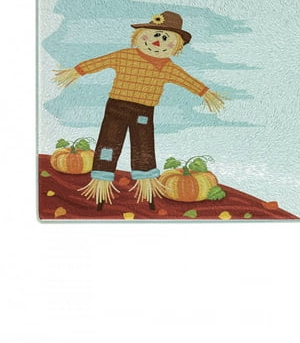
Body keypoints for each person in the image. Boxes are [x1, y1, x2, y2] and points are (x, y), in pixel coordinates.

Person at [54, 11, 226, 210]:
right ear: (138, 36)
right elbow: (100, 62)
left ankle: (146, 184)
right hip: (116, 108)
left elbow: (186, 80)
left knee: (143, 146)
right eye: (154, 35)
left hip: (143, 112)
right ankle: (101, 181)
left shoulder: (168, 67)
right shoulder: (124, 56)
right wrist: (77, 71)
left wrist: (205, 93)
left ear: (176, 46)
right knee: (109, 143)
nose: (157, 41)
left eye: (165, 38)